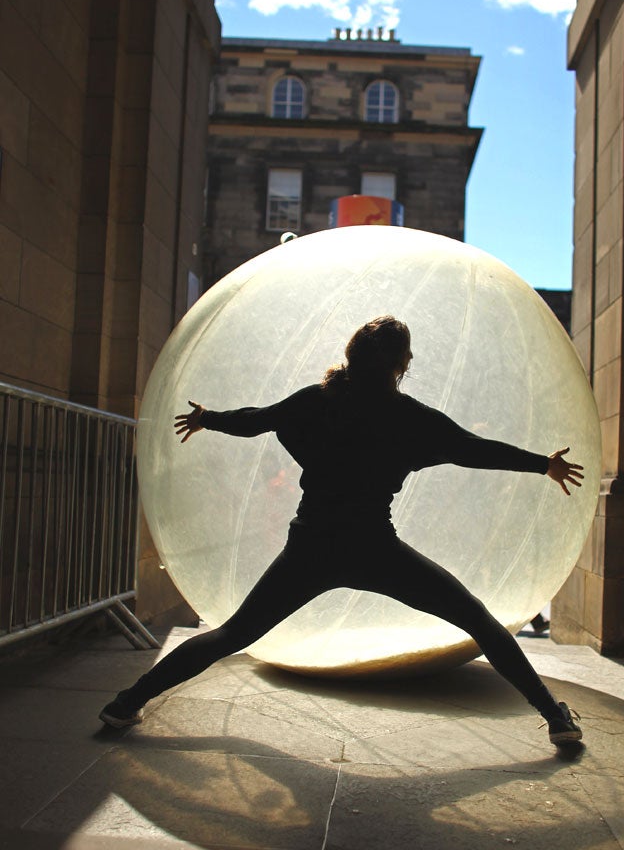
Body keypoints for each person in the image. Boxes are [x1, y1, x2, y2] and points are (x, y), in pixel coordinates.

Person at [100, 316, 585, 746]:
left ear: (351, 355)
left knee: (231, 635)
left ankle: (125, 703)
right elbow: (475, 449)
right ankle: (554, 716)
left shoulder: (317, 401)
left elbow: (258, 420)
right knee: (477, 620)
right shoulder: (410, 418)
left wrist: (210, 419)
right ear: (403, 363)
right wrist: (542, 465)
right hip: (375, 549)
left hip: (311, 547)